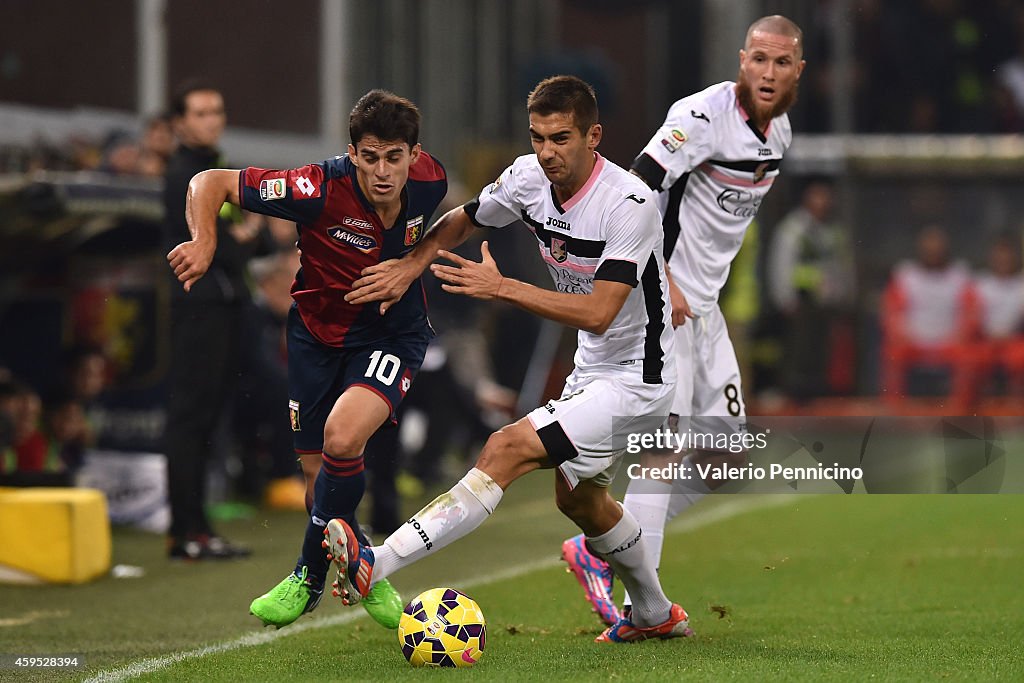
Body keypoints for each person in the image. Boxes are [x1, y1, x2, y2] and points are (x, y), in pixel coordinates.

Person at [331, 75, 690, 644]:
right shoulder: (526, 177)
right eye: (538, 137)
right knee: (581, 500)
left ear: (593, 136)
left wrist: (503, 289)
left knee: (506, 446)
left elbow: (598, 311)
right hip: (593, 370)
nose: (547, 152)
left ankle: (379, 561)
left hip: (640, 380)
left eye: (561, 138)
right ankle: (654, 614)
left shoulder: (629, 202)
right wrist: (414, 262)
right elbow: (466, 218)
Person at [558, 15, 806, 626]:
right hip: (663, 304)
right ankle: (638, 606)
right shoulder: (699, 118)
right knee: (660, 451)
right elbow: (634, 188)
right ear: (741, 60)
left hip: (706, 309)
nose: (768, 73)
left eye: (782, 63)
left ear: (799, 70)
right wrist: (660, 275)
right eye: (759, 60)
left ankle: (603, 545)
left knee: (726, 461)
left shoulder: (781, 135)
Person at [168, 90, 448, 629]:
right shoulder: (316, 187)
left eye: (395, 157)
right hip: (315, 338)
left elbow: (455, 221)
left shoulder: (430, 180)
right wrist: (204, 240)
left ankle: (307, 575)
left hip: (392, 334)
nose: (383, 171)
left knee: (344, 439)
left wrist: (413, 264)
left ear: (414, 155)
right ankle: (367, 566)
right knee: (319, 475)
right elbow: (210, 182)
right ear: (353, 152)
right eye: (370, 157)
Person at [162, 80, 265, 561]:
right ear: (179, 123)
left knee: (208, 419)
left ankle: (198, 527)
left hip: (223, 308)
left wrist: (245, 236)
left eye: (217, 111)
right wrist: (245, 233)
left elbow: (252, 243)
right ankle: (186, 531)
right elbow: (228, 246)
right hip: (197, 310)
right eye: (201, 112)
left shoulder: (212, 170)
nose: (211, 119)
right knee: (190, 418)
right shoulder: (185, 175)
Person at [767, 179, 855, 400]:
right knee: (798, 350)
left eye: (826, 196)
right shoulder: (794, 228)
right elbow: (781, 263)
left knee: (821, 349)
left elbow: (841, 264)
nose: (823, 202)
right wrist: (784, 297)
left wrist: (844, 293)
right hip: (800, 299)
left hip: (826, 301)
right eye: (817, 196)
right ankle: (793, 394)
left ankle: (818, 393)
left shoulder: (832, 229)